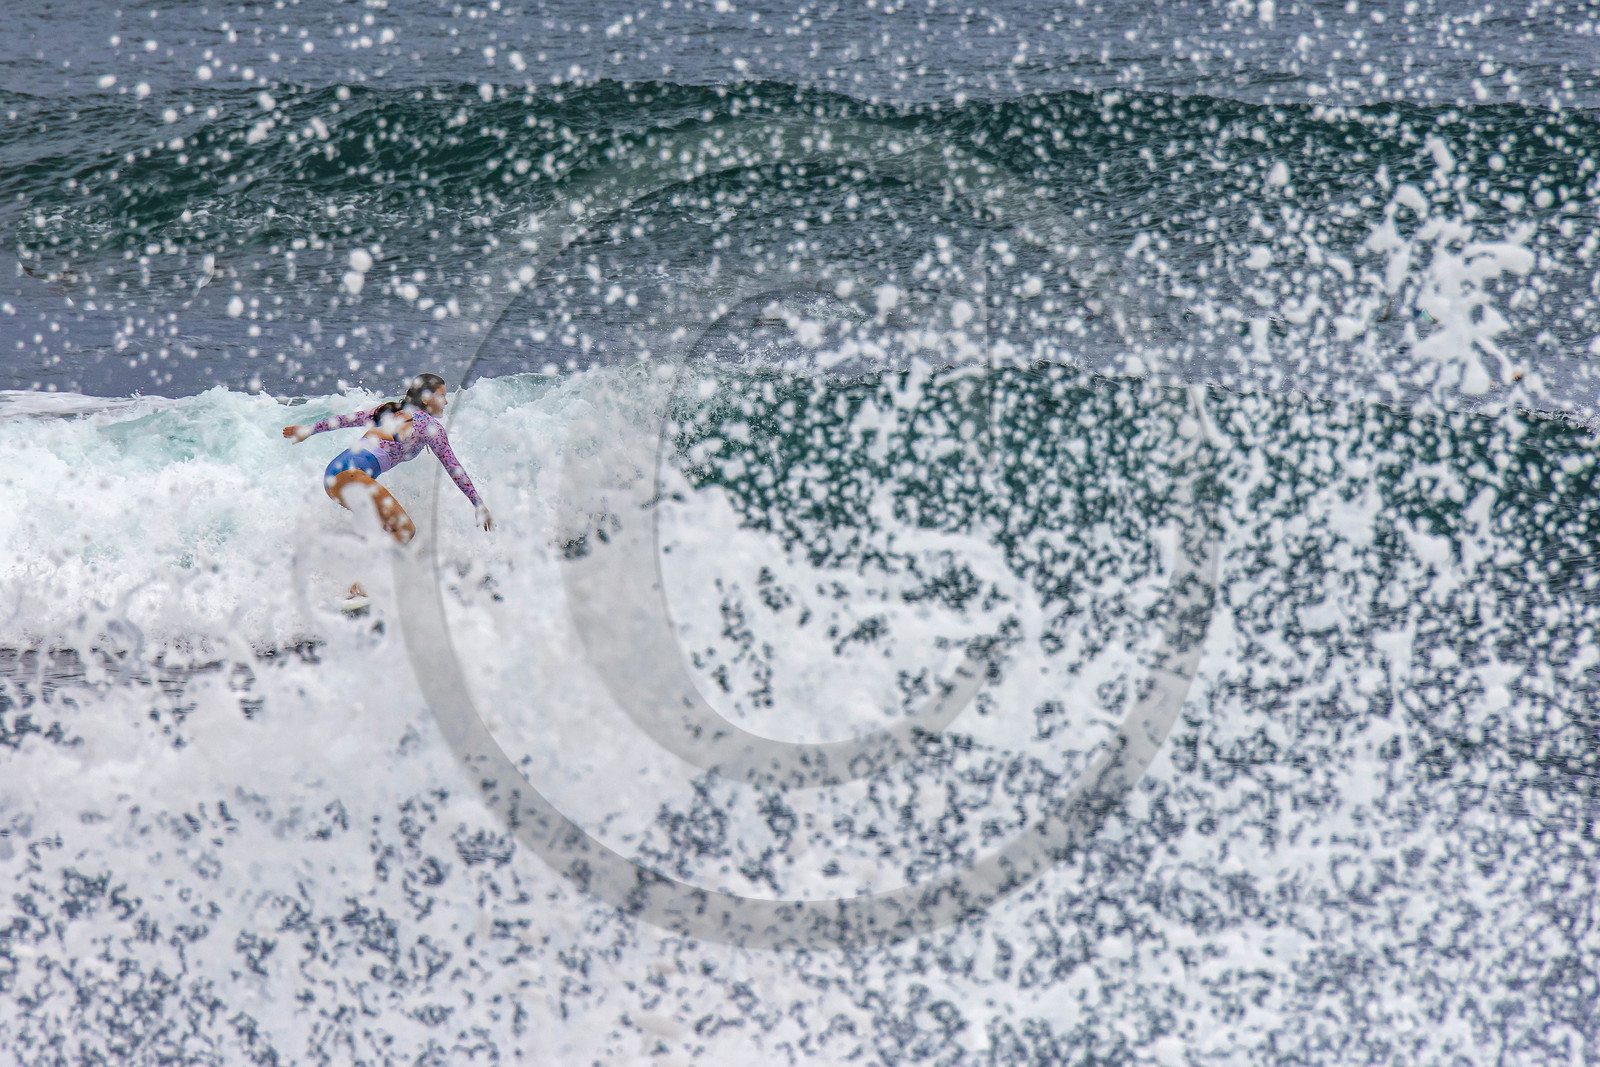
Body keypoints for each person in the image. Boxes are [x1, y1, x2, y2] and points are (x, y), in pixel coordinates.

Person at [283, 373, 493, 544]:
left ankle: (353, 576)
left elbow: (344, 420)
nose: (446, 402)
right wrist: (478, 504)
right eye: (441, 396)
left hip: (333, 478)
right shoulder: (429, 426)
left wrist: (309, 429)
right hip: (351, 475)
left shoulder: (388, 410)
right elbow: (453, 466)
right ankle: (366, 580)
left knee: (383, 531)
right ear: (426, 399)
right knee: (404, 530)